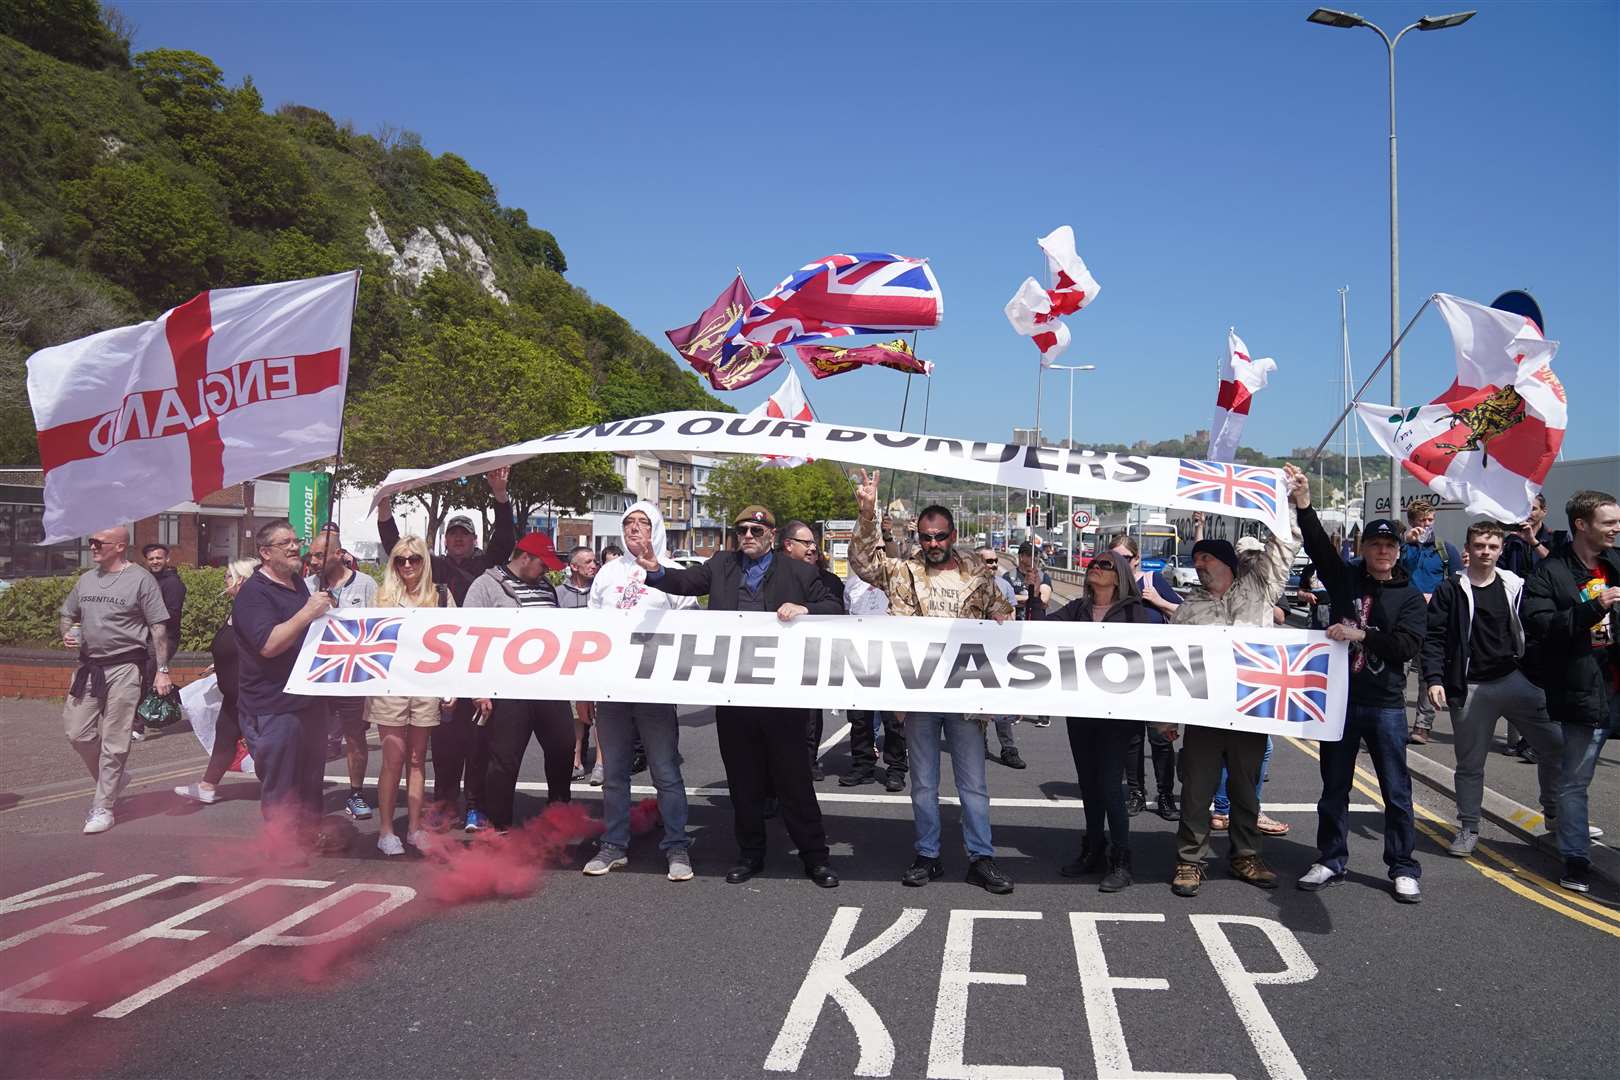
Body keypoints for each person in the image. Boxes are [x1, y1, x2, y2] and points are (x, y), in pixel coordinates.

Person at [636, 505, 842, 888]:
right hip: (734, 697)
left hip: (783, 697)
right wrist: (655, 570)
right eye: (742, 530)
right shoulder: (720, 565)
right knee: (743, 782)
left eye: (756, 530)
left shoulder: (798, 572)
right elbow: (685, 582)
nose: (747, 536)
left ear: (772, 536)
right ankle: (750, 855)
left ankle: (815, 858)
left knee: (794, 781)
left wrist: (805, 607)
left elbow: (835, 607)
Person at [849, 471, 1016, 894]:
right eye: (925, 537)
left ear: (953, 534)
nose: (933, 544)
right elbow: (864, 563)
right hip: (920, 694)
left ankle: (982, 857)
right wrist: (867, 512)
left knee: (973, 785)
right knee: (923, 782)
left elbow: (1002, 616)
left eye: (940, 536)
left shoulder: (979, 575)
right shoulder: (903, 572)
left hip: (965, 695)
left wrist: (1003, 621)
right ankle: (928, 854)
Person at [1165, 464, 1307, 898]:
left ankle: (1246, 855)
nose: (1199, 564)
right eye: (1196, 560)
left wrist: (1290, 499)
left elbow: (1285, 544)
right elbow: (1171, 666)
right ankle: (1190, 860)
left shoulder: (1259, 589)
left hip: (1250, 706)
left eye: (1205, 557)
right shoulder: (1188, 609)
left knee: (1247, 790)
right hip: (1206, 713)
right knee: (1197, 790)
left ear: (1225, 562)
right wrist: (1166, 719)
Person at [1296, 501, 1427, 903]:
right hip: (1340, 701)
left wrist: (1362, 636)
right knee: (1334, 787)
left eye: (1389, 544)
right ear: (1363, 548)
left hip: (1386, 704)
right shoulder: (1344, 580)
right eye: (1375, 544)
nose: (1382, 551)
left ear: (1399, 550)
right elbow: (1318, 547)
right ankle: (1332, 858)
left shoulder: (1410, 597)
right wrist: (1304, 506)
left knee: (1396, 791)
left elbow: (1405, 646)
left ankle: (1403, 866)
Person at [382, 468, 513, 830]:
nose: (458, 540)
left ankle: (475, 805)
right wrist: (384, 507)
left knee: (477, 741)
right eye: (452, 534)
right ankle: (443, 803)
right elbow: (395, 547)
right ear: (444, 540)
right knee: (442, 743)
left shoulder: (487, 565)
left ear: (473, 540)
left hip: (476, 660)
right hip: (437, 666)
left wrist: (500, 495)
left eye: (464, 535)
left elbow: (505, 540)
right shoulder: (430, 567)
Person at [1422, 520, 1562, 857]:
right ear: (1467, 549)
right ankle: (1469, 828)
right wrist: (1435, 679)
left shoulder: (1515, 584)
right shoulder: (1450, 589)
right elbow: (1434, 638)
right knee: (1470, 765)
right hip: (1470, 687)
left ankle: (1557, 818)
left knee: (1556, 748)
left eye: (1492, 546)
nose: (1486, 552)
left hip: (1515, 680)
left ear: (1501, 550)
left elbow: (1547, 599)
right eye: (1480, 546)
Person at [584, 503, 699, 882]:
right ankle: (614, 845)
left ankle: (676, 845)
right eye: (628, 522)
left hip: (655, 686)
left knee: (665, 770)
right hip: (613, 686)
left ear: (657, 528)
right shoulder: (606, 573)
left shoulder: (674, 572)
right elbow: (591, 630)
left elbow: (692, 625)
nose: (634, 528)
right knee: (614, 772)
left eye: (643, 522)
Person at [1523, 490, 1620, 894]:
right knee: (1575, 780)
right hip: (1584, 689)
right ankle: (1576, 858)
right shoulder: (1550, 573)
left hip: (1617, 684)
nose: (1616, 529)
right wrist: (1593, 608)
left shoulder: (1616, 563)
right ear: (1582, 525)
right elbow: (1541, 627)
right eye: (1609, 523)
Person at [1049, 551, 1158, 892]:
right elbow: (1039, 630)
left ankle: (1122, 858)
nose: (1095, 568)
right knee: (1088, 783)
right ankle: (1094, 847)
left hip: (1118, 715)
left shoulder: (1135, 613)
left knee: (1111, 784)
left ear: (1120, 574)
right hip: (1081, 710)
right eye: (1093, 564)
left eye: (1105, 565)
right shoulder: (1077, 610)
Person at [231, 519, 339, 856]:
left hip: (307, 700)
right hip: (273, 706)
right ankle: (280, 847)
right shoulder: (254, 594)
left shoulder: (296, 583)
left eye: (296, 540)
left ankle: (306, 838)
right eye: (285, 543)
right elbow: (269, 644)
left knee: (310, 778)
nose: (295, 547)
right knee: (281, 783)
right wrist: (308, 612)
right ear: (265, 553)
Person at [59, 526, 174, 834]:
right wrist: (67, 632)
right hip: (89, 668)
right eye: (91, 541)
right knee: (77, 732)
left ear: (120, 546)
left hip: (125, 667)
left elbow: (158, 628)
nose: (93, 546)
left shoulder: (140, 579)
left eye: (99, 542)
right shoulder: (86, 579)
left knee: (115, 739)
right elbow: (67, 614)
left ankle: (103, 806)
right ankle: (116, 780)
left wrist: (162, 670)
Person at [464, 532, 572, 832]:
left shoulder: (546, 586)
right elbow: (470, 639)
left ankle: (558, 816)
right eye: (542, 563)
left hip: (549, 686)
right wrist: (477, 687)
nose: (547, 570)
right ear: (524, 557)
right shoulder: (485, 586)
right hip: (507, 686)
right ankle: (500, 825)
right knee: (504, 759)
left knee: (563, 749)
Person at [367, 536, 455, 855]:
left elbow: (453, 645)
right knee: (393, 758)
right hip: (390, 685)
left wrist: (452, 687)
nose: (407, 565)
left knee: (418, 759)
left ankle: (415, 828)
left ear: (424, 561)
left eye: (414, 559)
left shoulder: (440, 595)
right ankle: (386, 830)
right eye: (400, 560)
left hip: (426, 686)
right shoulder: (381, 597)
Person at [303, 528, 378, 821]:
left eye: (319, 555)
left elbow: (376, 627)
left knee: (355, 736)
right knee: (314, 738)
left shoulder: (366, 584)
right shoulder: (307, 585)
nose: (313, 561)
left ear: (338, 554)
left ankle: (356, 793)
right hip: (318, 674)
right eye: (311, 555)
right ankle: (311, 795)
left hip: (353, 675)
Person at [175, 558, 259, 806]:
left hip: (249, 694)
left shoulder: (252, 611)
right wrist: (219, 665)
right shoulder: (237, 609)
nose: (225, 580)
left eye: (228, 576)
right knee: (224, 738)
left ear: (241, 579)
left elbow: (259, 647)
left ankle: (289, 794)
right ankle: (207, 786)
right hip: (234, 695)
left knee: (261, 746)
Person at [1109, 534, 1181, 817]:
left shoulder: (1152, 581)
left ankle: (1165, 795)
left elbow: (1186, 613)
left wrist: (1158, 600)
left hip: (1159, 670)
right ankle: (1136, 793)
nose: (1119, 564)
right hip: (1125, 671)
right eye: (1113, 558)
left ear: (1136, 559)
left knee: (1162, 737)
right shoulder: (1110, 586)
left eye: (1125, 558)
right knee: (1130, 737)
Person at [841, 527, 907, 792]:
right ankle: (862, 765)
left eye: (879, 548)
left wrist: (888, 535)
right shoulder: (852, 583)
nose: (875, 553)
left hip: (891, 658)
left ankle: (896, 769)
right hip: (859, 659)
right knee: (859, 718)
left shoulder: (896, 577)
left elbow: (895, 555)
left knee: (893, 720)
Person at [782, 520, 847, 781]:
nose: (812, 549)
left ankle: (808, 761)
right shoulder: (773, 576)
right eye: (806, 543)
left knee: (810, 715)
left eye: (814, 545)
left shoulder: (829, 581)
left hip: (814, 656)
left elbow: (836, 611)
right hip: (779, 657)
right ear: (788, 545)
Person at [1400, 500, 1461, 745]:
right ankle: (1395, 720)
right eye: (1421, 521)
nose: (1426, 525)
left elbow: (1457, 583)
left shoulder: (1445, 549)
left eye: (1430, 520)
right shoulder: (1402, 549)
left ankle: (1422, 726)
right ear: (1412, 522)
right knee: (1399, 672)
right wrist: (1405, 541)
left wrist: (1435, 596)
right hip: (1403, 621)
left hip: (1433, 620)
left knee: (1428, 673)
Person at [980, 543, 1028, 769]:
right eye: (988, 561)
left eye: (995, 561)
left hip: (999, 652)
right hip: (976, 653)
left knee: (1001, 704)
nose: (993, 565)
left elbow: (1011, 617)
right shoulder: (967, 585)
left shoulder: (1004, 585)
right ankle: (978, 744)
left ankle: (1008, 749)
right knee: (977, 704)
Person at [134, 543, 186, 742]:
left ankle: (137, 727)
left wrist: (145, 617)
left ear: (167, 559)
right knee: (148, 679)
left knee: (147, 678)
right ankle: (191, 700)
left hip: (166, 638)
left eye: (159, 558)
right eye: (151, 558)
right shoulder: (147, 581)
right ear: (146, 561)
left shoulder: (173, 584)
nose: (155, 561)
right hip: (145, 637)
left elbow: (172, 615)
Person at [556, 545, 598, 780]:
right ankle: (576, 759)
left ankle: (602, 763)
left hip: (599, 660)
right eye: (588, 562)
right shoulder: (559, 593)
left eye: (594, 561)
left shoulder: (600, 592)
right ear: (574, 566)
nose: (594, 565)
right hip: (571, 662)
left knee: (601, 713)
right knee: (575, 715)